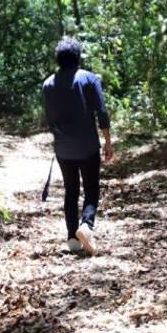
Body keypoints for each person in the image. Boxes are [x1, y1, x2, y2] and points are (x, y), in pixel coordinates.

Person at [41, 37, 112, 256]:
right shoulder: (89, 79)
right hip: (88, 146)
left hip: (63, 149)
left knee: (70, 190)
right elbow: (102, 112)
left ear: (59, 58)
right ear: (78, 57)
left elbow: (50, 120)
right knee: (91, 188)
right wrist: (108, 142)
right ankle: (86, 225)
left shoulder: (48, 84)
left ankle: (72, 238)